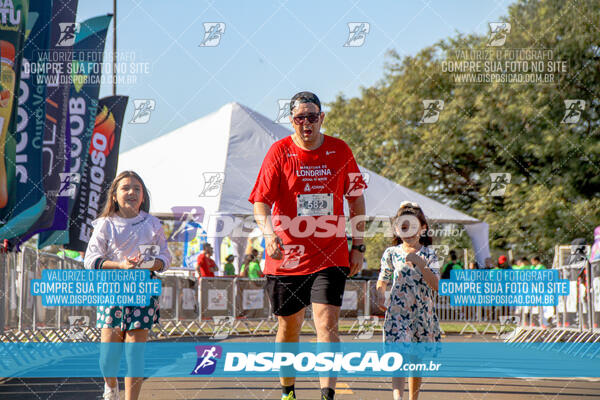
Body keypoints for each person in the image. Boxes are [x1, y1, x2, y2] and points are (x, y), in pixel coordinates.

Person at [249, 91, 367, 400]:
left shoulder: (340, 151)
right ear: (292, 121)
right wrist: (268, 233)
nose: (307, 123)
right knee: (290, 327)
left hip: (330, 254)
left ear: (322, 118)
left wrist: (360, 245)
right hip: (286, 256)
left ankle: (327, 394)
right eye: (300, 118)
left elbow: (356, 199)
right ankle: (288, 391)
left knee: (327, 324)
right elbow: (260, 202)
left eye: (312, 117)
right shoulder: (279, 152)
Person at [84, 171, 171, 400]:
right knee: (108, 357)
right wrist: (120, 266)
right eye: (125, 188)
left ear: (143, 196)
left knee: (135, 354)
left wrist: (151, 263)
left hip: (143, 291)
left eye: (137, 189)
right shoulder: (105, 224)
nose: (131, 192)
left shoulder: (152, 223)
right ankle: (110, 387)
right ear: (114, 195)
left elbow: (166, 257)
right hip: (112, 291)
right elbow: (90, 259)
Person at [376, 202, 440, 400]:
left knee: (415, 359)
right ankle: (398, 398)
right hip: (398, 313)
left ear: (423, 228)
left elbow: (436, 285)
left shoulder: (430, 254)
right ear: (397, 229)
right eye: (404, 227)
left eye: (413, 227)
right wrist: (379, 292)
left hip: (422, 313)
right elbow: (383, 277)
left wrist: (421, 264)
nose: (409, 231)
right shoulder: (391, 253)